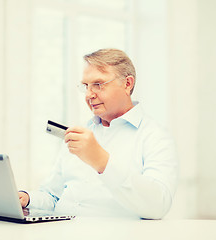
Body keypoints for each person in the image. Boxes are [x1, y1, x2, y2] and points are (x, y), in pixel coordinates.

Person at [19, 48, 178, 219]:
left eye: (98, 84)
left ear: (127, 84)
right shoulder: (81, 134)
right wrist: (26, 199)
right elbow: (52, 196)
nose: (89, 95)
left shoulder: (155, 136)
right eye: (86, 86)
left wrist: (102, 161)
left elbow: (158, 206)